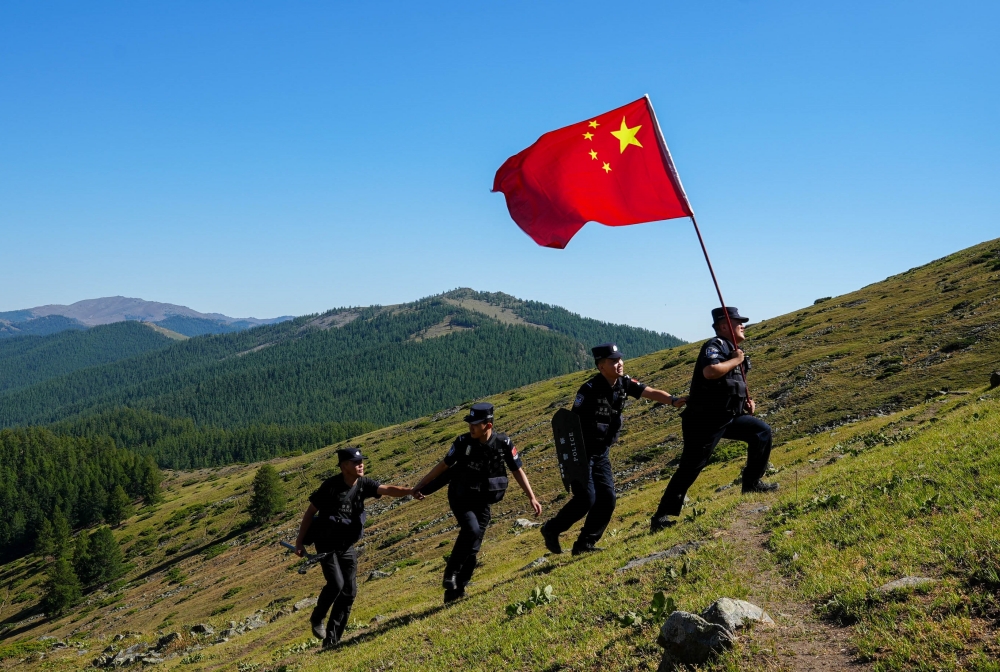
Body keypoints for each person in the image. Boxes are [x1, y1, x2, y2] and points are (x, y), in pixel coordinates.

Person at [541, 343, 685, 556]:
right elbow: (570, 425)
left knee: (607, 498)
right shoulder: (589, 390)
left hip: (601, 452)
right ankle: (552, 529)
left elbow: (650, 392)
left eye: (620, 359)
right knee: (586, 499)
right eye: (613, 361)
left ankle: (584, 544)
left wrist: (672, 400)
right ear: (601, 366)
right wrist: (571, 460)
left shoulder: (624, 383)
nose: (619, 364)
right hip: (581, 453)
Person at [650, 307, 778, 533]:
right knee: (691, 467)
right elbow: (710, 372)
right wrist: (735, 360)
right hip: (704, 420)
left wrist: (746, 404)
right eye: (738, 322)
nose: (743, 325)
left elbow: (732, 386)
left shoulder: (735, 351)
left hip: (728, 417)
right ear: (724, 326)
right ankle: (660, 517)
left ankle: (752, 484)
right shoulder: (715, 345)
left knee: (761, 432)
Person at [412, 403, 542, 603]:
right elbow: (444, 466)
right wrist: (421, 485)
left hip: (482, 501)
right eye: (470, 423)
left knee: (473, 548)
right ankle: (450, 573)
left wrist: (531, 497)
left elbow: (517, 470)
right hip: (460, 496)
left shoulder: (503, 443)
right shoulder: (463, 442)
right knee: (471, 530)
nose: (470, 427)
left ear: (488, 425)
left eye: (475, 423)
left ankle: (456, 591)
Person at [294, 447, 412, 650]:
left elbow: (388, 489)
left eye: (361, 461)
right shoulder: (331, 486)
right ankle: (317, 617)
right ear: (344, 466)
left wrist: (410, 491)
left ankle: (332, 641)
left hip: (346, 545)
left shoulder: (364, 484)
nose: (361, 464)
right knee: (336, 584)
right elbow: (310, 512)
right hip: (326, 544)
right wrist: (299, 542)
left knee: (349, 592)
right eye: (356, 462)